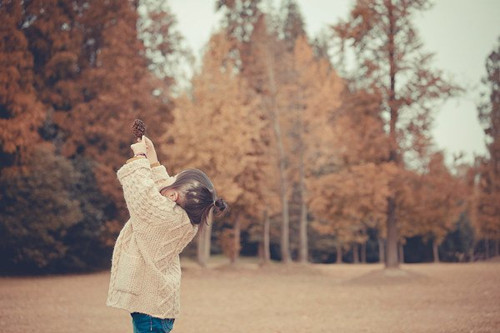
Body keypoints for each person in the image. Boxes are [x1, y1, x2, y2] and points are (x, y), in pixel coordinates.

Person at [106, 135, 226, 333]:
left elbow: (143, 194)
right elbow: (163, 188)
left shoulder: (165, 216)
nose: (168, 179)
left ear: (173, 196)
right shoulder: (182, 217)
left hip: (151, 311)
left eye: (174, 179)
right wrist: (152, 159)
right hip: (155, 307)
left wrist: (139, 158)